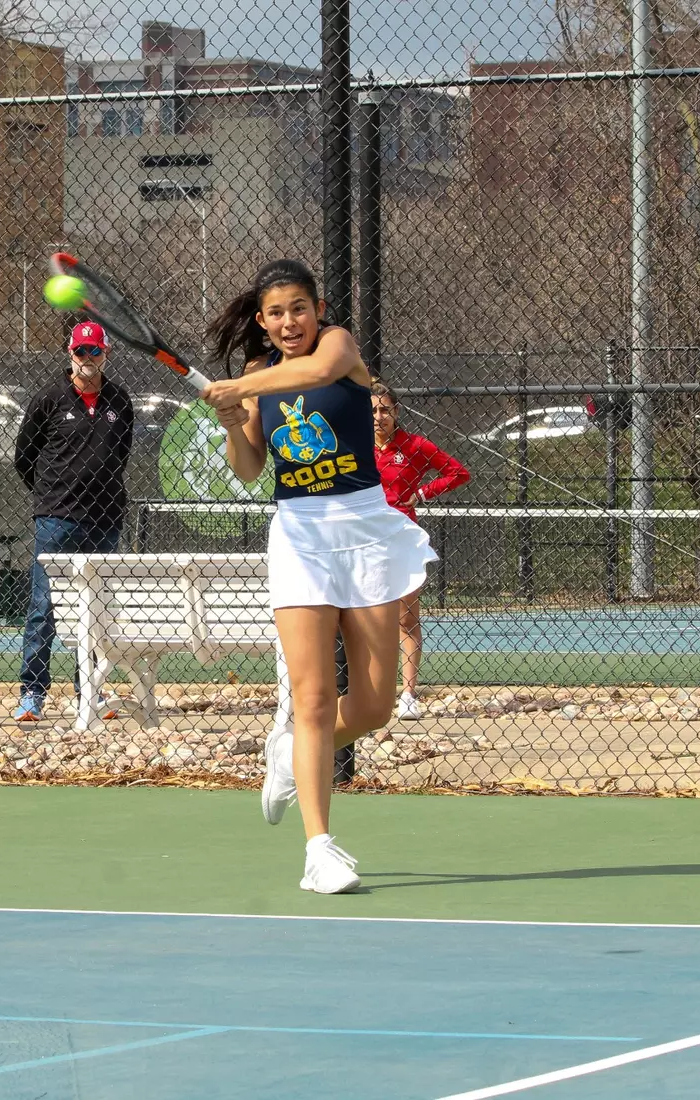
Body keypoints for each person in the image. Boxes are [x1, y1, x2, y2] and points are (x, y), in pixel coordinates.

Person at [201, 259, 436, 895]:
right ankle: (319, 850)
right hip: (300, 536)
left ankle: (288, 756)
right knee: (310, 699)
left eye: (298, 308)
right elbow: (250, 468)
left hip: (363, 528)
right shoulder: (256, 376)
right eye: (275, 313)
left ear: (318, 307)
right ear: (262, 320)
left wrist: (242, 390)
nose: (288, 322)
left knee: (375, 704)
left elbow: (320, 374)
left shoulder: (338, 347)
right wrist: (232, 419)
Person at [12, 320, 135, 722]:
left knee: (98, 609)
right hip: (56, 518)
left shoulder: (120, 401)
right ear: (70, 353)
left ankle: (91, 692)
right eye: (80, 352)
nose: (87, 359)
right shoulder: (48, 398)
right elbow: (24, 457)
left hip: (104, 518)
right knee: (44, 606)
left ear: (106, 354)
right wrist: (52, 495)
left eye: (94, 351)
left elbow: (120, 455)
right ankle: (33, 693)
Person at [372, 382, 470, 719]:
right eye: (372, 410)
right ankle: (366, 692)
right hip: (363, 542)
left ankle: (408, 695)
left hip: (402, 540)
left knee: (406, 619)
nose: (378, 416)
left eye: (385, 409)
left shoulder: (414, 446)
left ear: (396, 412)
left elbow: (458, 473)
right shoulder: (352, 447)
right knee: (362, 620)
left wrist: (424, 492)